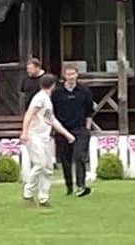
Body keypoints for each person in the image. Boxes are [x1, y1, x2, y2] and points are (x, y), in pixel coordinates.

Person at [20, 74, 75, 207]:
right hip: (34, 136)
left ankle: (43, 197)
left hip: (44, 137)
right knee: (40, 164)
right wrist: (25, 132)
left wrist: (67, 134)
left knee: (48, 168)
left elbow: (52, 120)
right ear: (54, 85)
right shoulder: (39, 98)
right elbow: (29, 114)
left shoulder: (47, 100)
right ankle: (28, 193)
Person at [51, 65, 94, 197]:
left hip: (80, 128)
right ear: (64, 76)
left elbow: (89, 111)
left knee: (80, 156)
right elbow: (52, 111)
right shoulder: (57, 92)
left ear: (77, 75)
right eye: (68, 74)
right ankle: (69, 185)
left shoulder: (84, 91)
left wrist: (87, 128)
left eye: (73, 74)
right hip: (63, 129)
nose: (70, 77)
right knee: (65, 159)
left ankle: (81, 185)